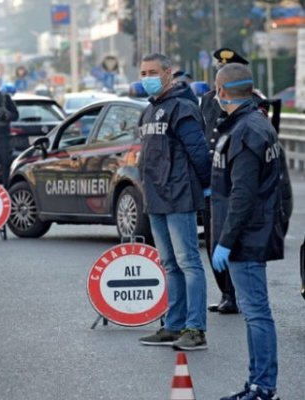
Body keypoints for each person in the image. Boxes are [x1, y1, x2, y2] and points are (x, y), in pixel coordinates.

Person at [212, 63, 283, 400]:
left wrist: (225, 241)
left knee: (256, 313)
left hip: (247, 234)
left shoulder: (246, 130)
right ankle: (256, 384)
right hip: (252, 230)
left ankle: (263, 387)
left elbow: (243, 194)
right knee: (255, 312)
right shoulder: (253, 123)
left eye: (216, 89)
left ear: (223, 91)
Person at [136, 53, 211, 351]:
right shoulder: (149, 111)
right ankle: (173, 325)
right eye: (143, 72)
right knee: (169, 264)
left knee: (189, 262)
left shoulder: (182, 107)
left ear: (168, 73)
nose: (147, 77)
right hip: (155, 198)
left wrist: (204, 187)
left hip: (179, 196)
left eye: (152, 71)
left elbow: (199, 152)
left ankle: (196, 329)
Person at [200, 48, 260, 314]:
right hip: (213, 177)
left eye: (226, 67)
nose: (219, 71)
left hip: (236, 177)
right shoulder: (207, 99)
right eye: (218, 67)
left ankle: (238, 293)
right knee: (214, 240)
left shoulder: (254, 102)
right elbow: (206, 134)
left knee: (234, 237)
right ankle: (226, 292)